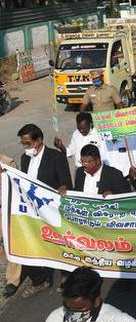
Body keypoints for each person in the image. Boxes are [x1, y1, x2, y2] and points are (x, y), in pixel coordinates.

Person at [17, 124, 72, 297]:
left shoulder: (56, 157)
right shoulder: (25, 159)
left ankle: (66, 276)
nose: (25, 147)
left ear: (39, 140)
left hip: (52, 211)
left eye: (27, 143)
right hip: (33, 212)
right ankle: (39, 280)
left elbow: (66, 182)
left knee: (58, 244)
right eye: (23, 144)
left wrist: (63, 187)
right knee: (25, 245)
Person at [45, 267, 136, 322]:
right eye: (67, 307)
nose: (72, 313)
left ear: (96, 301)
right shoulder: (56, 317)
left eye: (79, 309)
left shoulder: (116, 319)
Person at [0, 154, 21, 298]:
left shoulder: (8, 163)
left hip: (5, 210)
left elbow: (15, 187)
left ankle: (12, 280)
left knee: (10, 244)